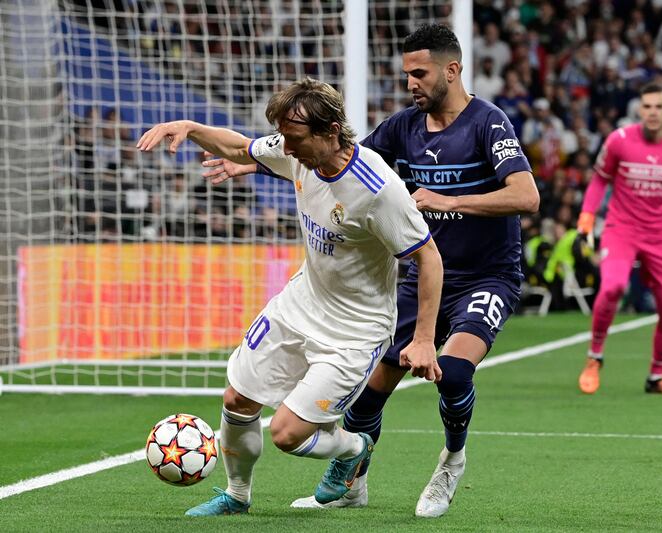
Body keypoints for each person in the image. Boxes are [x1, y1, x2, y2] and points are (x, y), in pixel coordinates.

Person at [204, 24, 539, 518]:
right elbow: (337, 160)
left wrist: (450, 201)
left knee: (452, 373)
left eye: (420, 73)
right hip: (417, 281)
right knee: (367, 401)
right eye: (406, 74)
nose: (411, 83)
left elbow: (526, 196)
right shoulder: (404, 126)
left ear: (453, 69)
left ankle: (452, 460)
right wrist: (253, 164)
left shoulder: (489, 123)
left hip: (485, 276)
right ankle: (353, 484)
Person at [137, 78, 444, 516]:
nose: (288, 148)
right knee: (237, 400)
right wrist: (191, 127)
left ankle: (354, 448)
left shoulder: (378, 190)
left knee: (286, 434)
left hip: (355, 332)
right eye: (285, 138)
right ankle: (236, 496)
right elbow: (243, 148)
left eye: (297, 139)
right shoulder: (296, 150)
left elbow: (429, 258)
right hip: (300, 304)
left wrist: (424, 339)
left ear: (331, 131)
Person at [576, 82, 662, 397]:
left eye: (658, 106)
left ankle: (656, 376)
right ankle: (594, 358)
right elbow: (599, 181)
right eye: (647, 106)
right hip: (621, 230)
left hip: (661, 235)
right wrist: (586, 222)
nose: (652, 112)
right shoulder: (619, 141)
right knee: (612, 287)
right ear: (639, 109)